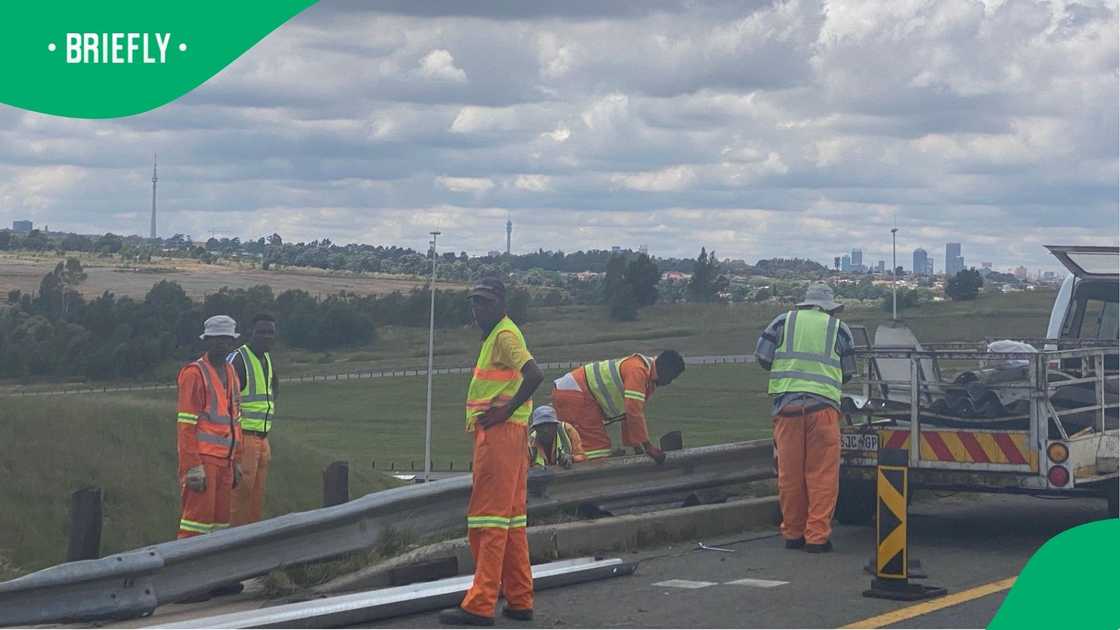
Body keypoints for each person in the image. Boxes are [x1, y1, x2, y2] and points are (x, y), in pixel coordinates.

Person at [440, 278, 544, 627]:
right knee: (511, 520)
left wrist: (504, 411)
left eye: (484, 302)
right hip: (510, 437)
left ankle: (481, 602)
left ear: (501, 302)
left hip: (500, 436)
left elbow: (534, 374)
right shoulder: (500, 334)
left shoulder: (504, 336)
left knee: (487, 520)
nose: (477, 309)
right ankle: (519, 598)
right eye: (474, 302)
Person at [755, 283, 856, 553]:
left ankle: (793, 534)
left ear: (805, 303)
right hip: (822, 410)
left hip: (786, 410)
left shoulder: (782, 321)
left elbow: (762, 357)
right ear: (829, 307)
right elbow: (848, 372)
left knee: (790, 474)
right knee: (822, 475)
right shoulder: (838, 329)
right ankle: (817, 538)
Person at [550, 350, 685, 464]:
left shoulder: (648, 378)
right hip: (575, 395)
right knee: (596, 449)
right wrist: (648, 446)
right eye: (671, 377)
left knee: (591, 447)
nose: (669, 382)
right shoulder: (638, 371)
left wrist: (636, 446)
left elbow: (628, 415)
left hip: (576, 394)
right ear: (666, 369)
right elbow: (633, 411)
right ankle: (593, 484)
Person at [176, 315, 242, 539]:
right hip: (204, 461)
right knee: (196, 525)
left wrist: (236, 461)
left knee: (221, 525)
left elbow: (236, 420)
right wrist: (192, 466)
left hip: (226, 461)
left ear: (232, 342)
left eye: (226, 339)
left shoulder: (231, 372)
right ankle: (185, 569)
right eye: (217, 339)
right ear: (207, 341)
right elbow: (186, 426)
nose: (222, 344)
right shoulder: (194, 374)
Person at [229, 313, 279, 526]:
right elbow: (226, 400)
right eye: (262, 332)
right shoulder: (239, 359)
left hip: (262, 438)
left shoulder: (266, 358)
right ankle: (230, 542)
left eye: (271, 332)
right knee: (239, 496)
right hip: (244, 438)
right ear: (251, 333)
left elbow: (273, 388)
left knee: (255, 499)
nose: (267, 337)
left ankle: (250, 541)